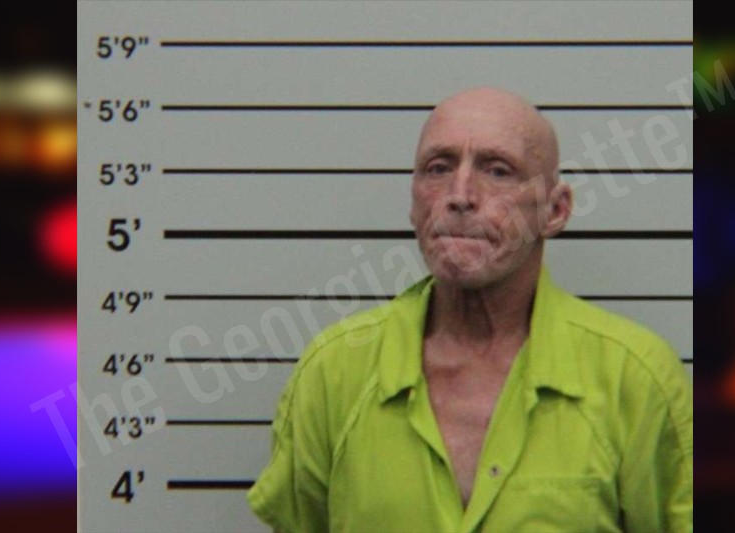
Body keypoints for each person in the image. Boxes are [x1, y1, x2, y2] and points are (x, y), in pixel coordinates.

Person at [247, 87, 693, 532]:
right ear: (414, 202)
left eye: (498, 171)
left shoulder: (635, 378)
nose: (460, 195)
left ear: (555, 211)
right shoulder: (334, 373)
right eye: (438, 168)